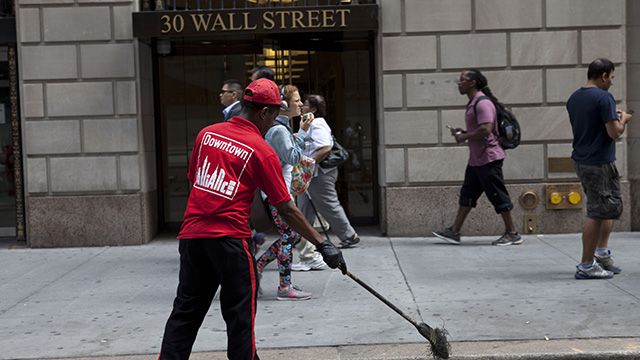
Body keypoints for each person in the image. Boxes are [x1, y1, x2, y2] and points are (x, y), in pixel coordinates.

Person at [158, 78, 347, 360]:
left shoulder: (206, 135)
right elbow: (286, 208)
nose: (274, 123)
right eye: (274, 116)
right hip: (230, 242)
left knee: (186, 312)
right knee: (240, 320)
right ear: (263, 113)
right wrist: (323, 244)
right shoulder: (260, 150)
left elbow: (195, 180)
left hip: (192, 237)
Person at [433, 69, 522, 246]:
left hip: (488, 158)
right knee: (467, 195)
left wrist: (463, 137)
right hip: (477, 160)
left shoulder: (482, 103)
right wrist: (464, 132)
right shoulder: (474, 102)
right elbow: (480, 129)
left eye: (462, 80)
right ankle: (454, 231)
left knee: (497, 195)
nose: (459, 83)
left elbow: (486, 129)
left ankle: (512, 233)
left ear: (472, 83)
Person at [255, 84, 322, 300]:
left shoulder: (279, 128)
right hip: (277, 193)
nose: (301, 104)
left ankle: (259, 265)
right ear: (283, 105)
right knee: (288, 236)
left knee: (291, 236)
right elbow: (292, 157)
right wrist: (302, 133)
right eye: (297, 100)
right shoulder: (278, 130)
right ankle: (284, 287)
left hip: (279, 191)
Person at [567, 58, 631, 280]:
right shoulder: (604, 98)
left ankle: (601, 254)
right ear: (603, 76)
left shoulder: (574, 98)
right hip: (597, 163)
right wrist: (623, 119)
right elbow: (615, 132)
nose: (612, 82)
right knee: (597, 211)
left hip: (585, 160)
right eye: (611, 77)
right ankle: (586, 265)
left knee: (608, 207)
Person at [296, 94, 360, 253]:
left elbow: (325, 147)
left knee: (328, 205)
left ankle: (349, 236)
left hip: (319, 174)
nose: (301, 106)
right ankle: (303, 240)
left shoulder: (317, 124)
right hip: (313, 174)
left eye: (304, 104)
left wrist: (308, 165)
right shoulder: (311, 124)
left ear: (313, 109)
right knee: (304, 207)